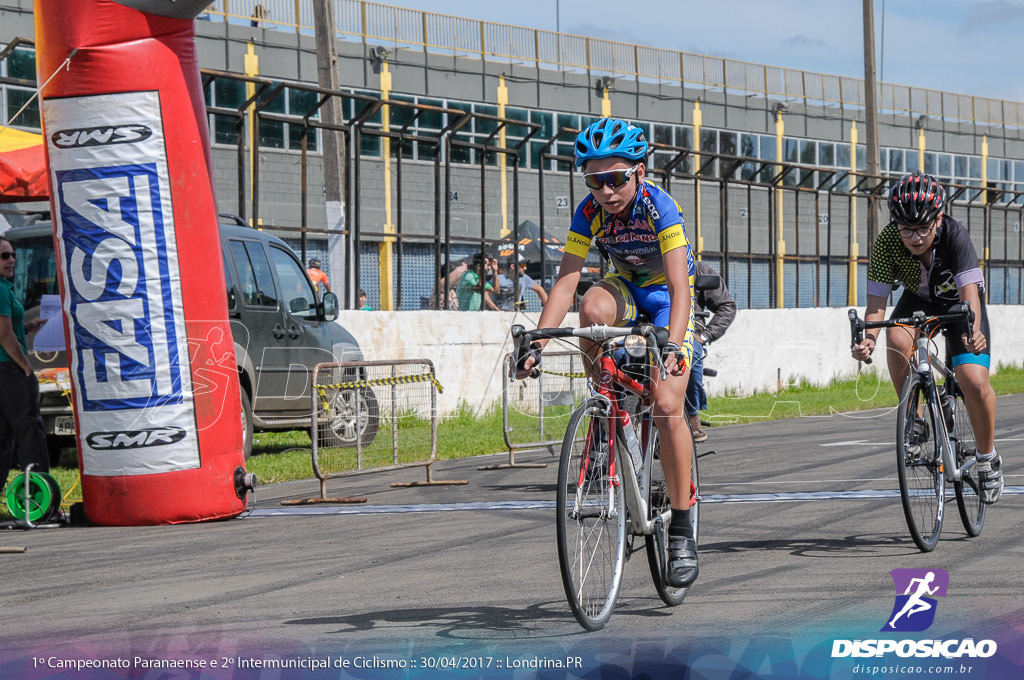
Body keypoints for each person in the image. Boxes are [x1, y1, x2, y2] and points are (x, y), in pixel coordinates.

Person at [514, 118, 699, 587]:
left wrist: (674, 345)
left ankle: (681, 527)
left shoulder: (660, 208)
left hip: (665, 297)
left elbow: (680, 288)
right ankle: (606, 413)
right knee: (592, 306)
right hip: (626, 288)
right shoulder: (588, 212)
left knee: (666, 404)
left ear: (638, 173)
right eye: (595, 180)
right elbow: (566, 281)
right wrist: (538, 339)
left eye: (615, 178)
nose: (606, 190)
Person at [851, 171, 1003, 504]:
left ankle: (988, 458)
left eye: (923, 228)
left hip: (959, 303)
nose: (915, 237)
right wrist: (870, 340)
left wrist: (974, 331)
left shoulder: (954, 235)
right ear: (896, 224)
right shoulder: (888, 242)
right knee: (897, 336)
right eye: (907, 229)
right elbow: (876, 304)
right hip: (919, 299)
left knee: (973, 381)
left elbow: (969, 294)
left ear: (938, 219)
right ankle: (915, 418)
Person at [0, 236, 48, 498]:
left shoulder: (5, 287)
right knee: (30, 431)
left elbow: (9, 329)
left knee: (3, 436)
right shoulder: (0, 290)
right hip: (8, 370)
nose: (11, 260)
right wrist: (26, 367)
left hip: (3, 369)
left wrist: (27, 327)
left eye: (13, 255)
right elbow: (5, 335)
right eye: (4, 256)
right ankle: (40, 498)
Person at [685, 260, 736, 443]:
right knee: (617, 356)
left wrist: (705, 335)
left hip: (688, 333)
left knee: (691, 353)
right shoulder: (638, 263)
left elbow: (727, 306)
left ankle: (691, 415)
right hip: (646, 333)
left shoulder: (698, 269)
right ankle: (606, 430)